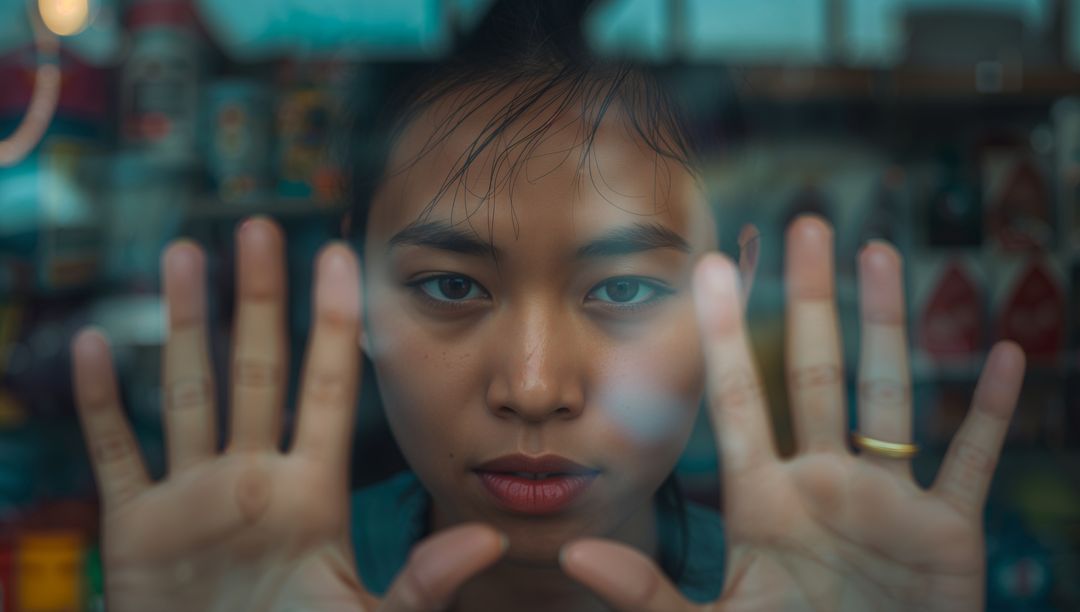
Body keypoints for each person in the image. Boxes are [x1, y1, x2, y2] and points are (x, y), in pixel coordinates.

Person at [69, 3, 1026, 611]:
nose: (534, 388)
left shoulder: (820, 596)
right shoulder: (245, 588)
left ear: (723, 295)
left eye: (622, 290)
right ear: (353, 287)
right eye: (451, 286)